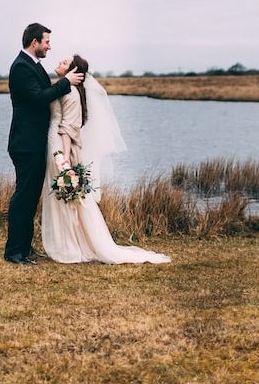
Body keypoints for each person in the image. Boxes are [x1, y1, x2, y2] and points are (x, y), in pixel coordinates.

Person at [41, 54, 170, 264]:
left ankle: (73, 245)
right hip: (53, 142)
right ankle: (66, 241)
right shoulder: (64, 87)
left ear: (74, 72)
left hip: (59, 147)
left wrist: (64, 159)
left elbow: (69, 129)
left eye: (64, 62)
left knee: (67, 197)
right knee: (61, 196)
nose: (59, 63)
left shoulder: (71, 92)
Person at [4, 22, 83, 265]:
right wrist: (66, 82)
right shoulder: (20, 67)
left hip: (36, 143)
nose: (49, 46)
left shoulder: (33, 66)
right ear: (34, 42)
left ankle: (25, 247)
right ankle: (14, 252)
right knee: (23, 197)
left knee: (30, 198)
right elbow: (38, 99)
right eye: (46, 41)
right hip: (25, 143)